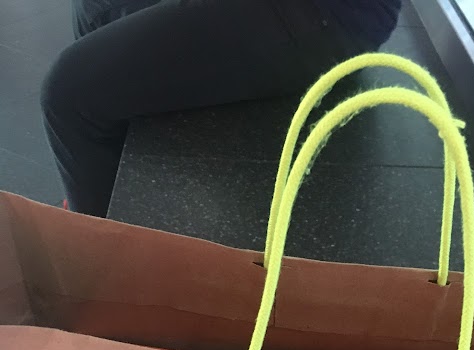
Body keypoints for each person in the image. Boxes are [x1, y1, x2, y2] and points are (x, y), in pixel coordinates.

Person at [41, 0, 402, 217]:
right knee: (96, 5)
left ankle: (100, 269)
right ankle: (110, 205)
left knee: (69, 95)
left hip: (324, 15)